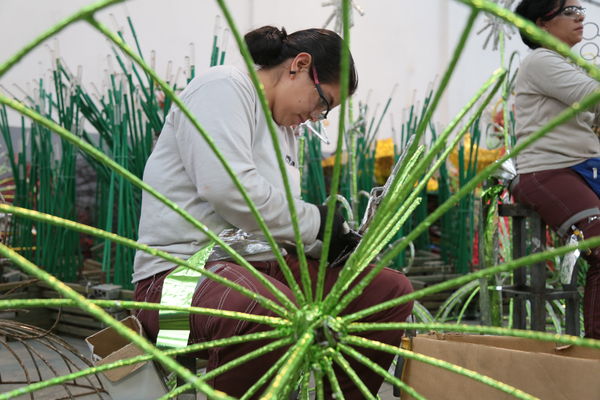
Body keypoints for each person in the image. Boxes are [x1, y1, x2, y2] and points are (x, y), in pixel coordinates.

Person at [132, 25, 414, 397]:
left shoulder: (284, 128)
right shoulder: (222, 88)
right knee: (270, 313)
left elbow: (273, 222)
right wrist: (316, 223)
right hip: (178, 278)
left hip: (258, 267)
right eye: (322, 103)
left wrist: (333, 245)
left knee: (386, 290)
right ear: (299, 65)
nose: (317, 117)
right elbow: (228, 189)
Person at [513, 0, 600, 339]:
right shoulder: (541, 60)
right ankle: (594, 352)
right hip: (549, 171)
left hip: (578, 167)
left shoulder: (565, 63)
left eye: (581, 10)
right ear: (542, 23)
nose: (579, 17)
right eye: (569, 12)